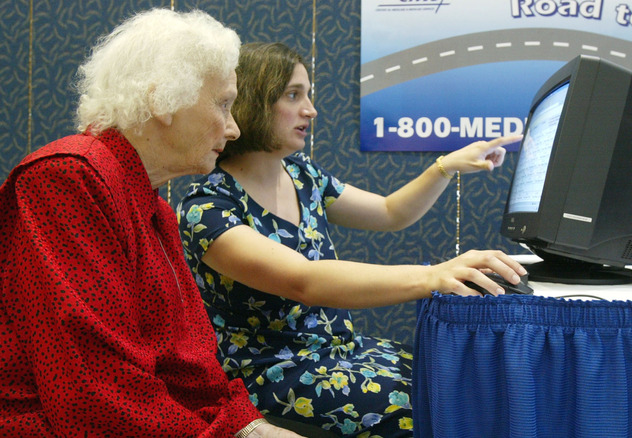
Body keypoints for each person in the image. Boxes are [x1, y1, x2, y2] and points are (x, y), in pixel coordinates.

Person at [176, 42, 526, 437]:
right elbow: (305, 281)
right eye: (294, 95)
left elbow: (391, 212)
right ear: (255, 100)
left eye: (307, 94)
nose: (310, 109)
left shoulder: (302, 173)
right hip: (273, 373)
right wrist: (431, 277)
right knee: (425, 407)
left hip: (340, 352)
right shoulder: (207, 208)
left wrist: (445, 166)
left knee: (454, 379)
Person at [0, 10, 301, 438]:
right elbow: (92, 390)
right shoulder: (67, 177)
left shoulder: (154, 210)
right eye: (223, 104)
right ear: (163, 100)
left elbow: (191, 367)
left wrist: (248, 427)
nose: (234, 128)